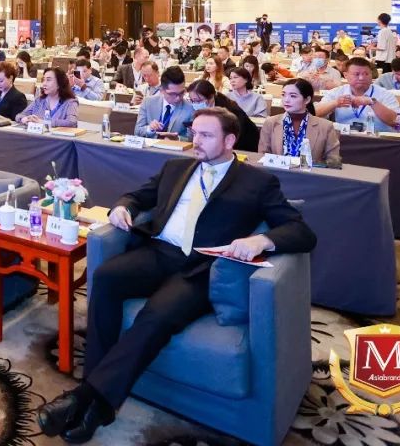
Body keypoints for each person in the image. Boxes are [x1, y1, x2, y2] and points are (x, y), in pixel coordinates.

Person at [36, 108, 317, 443]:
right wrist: (123, 207)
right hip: (159, 253)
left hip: (201, 268)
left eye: (206, 135)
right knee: (106, 277)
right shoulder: (176, 167)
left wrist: (261, 240)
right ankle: (96, 396)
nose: (196, 141)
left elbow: (301, 231)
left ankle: (89, 400)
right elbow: (137, 196)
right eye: (194, 133)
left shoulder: (257, 182)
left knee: (157, 314)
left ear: (230, 140)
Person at [258, 78, 340, 163]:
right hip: (275, 171)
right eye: (283, 95)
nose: (286, 100)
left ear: (307, 100)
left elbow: (333, 161)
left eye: (293, 96)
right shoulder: (271, 123)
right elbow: (262, 156)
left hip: (311, 171)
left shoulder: (325, 126)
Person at [316, 57, 400, 133]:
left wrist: (372, 102)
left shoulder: (385, 94)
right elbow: (315, 113)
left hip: (378, 141)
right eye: (356, 74)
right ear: (345, 75)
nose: (361, 78)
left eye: (366, 74)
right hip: (344, 139)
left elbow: (396, 122)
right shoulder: (337, 92)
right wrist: (335, 103)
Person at [186, 79, 259, 152]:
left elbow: (235, 135)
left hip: (244, 145)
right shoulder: (203, 109)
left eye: (198, 101)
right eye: (192, 101)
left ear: (211, 97)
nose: (195, 104)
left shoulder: (230, 111)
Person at [133, 66, 192, 139]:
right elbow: (137, 131)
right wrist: (149, 129)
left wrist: (178, 139)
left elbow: (192, 138)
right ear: (161, 90)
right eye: (172, 94)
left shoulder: (190, 109)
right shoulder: (148, 102)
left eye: (181, 93)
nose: (178, 98)